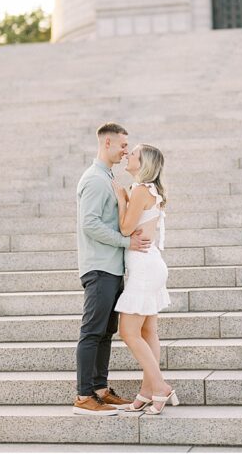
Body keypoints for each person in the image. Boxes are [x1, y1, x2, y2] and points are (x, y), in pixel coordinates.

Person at [74, 122, 151, 416]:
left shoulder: (107, 177)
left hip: (111, 268)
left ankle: (100, 389)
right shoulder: (94, 179)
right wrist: (125, 242)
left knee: (105, 332)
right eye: (121, 145)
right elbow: (90, 224)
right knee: (92, 331)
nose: (125, 151)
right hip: (99, 268)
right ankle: (84, 397)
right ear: (107, 144)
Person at [111, 143, 178, 414]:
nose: (128, 155)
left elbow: (126, 228)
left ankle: (160, 386)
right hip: (152, 264)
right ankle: (147, 391)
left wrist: (121, 199)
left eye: (134, 153)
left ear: (144, 162)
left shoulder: (139, 189)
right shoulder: (150, 189)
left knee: (128, 331)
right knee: (148, 331)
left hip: (144, 266)